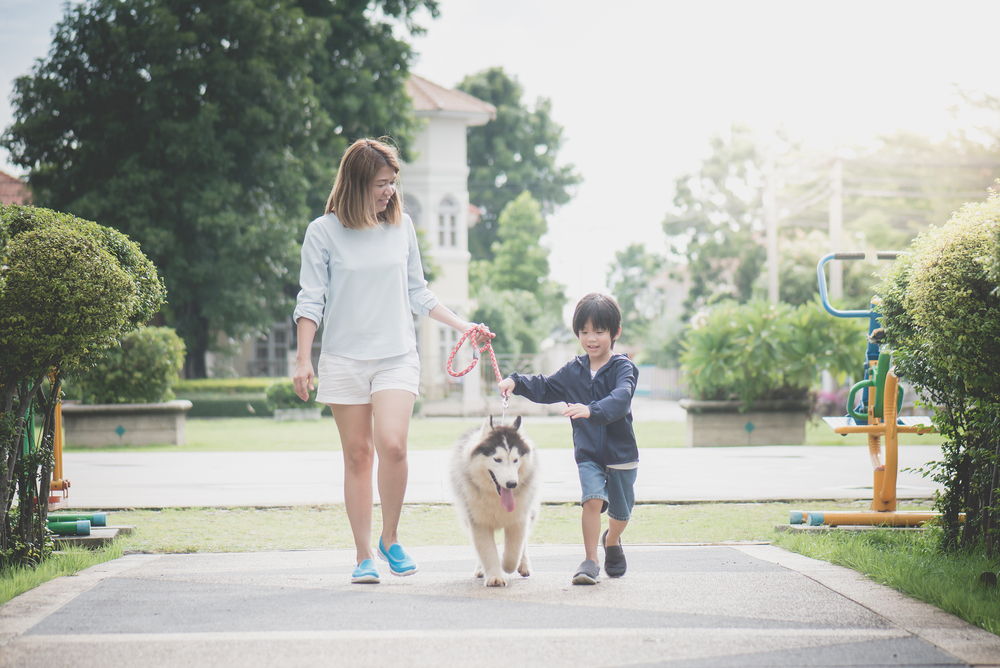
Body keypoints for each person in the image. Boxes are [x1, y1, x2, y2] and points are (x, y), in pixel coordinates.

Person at [292, 137, 490, 584]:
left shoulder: (402, 227)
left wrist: (464, 327)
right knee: (358, 454)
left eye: (392, 183)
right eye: (382, 183)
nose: (389, 192)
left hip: (397, 355)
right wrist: (303, 359)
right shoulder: (322, 232)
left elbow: (418, 292)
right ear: (359, 182)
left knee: (394, 445)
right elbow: (310, 300)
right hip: (343, 358)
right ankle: (364, 554)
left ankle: (391, 537)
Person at [498, 293, 638, 585]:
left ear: (615, 332)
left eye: (599, 331)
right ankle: (590, 561)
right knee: (592, 500)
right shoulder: (574, 371)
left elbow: (621, 398)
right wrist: (516, 382)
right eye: (584, 331)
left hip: (621, 455)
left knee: (621, 514)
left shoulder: (624, 368)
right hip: (588, 454)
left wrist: (591, 410)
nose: (591, 338)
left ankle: (611, 539)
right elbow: (546, 386)